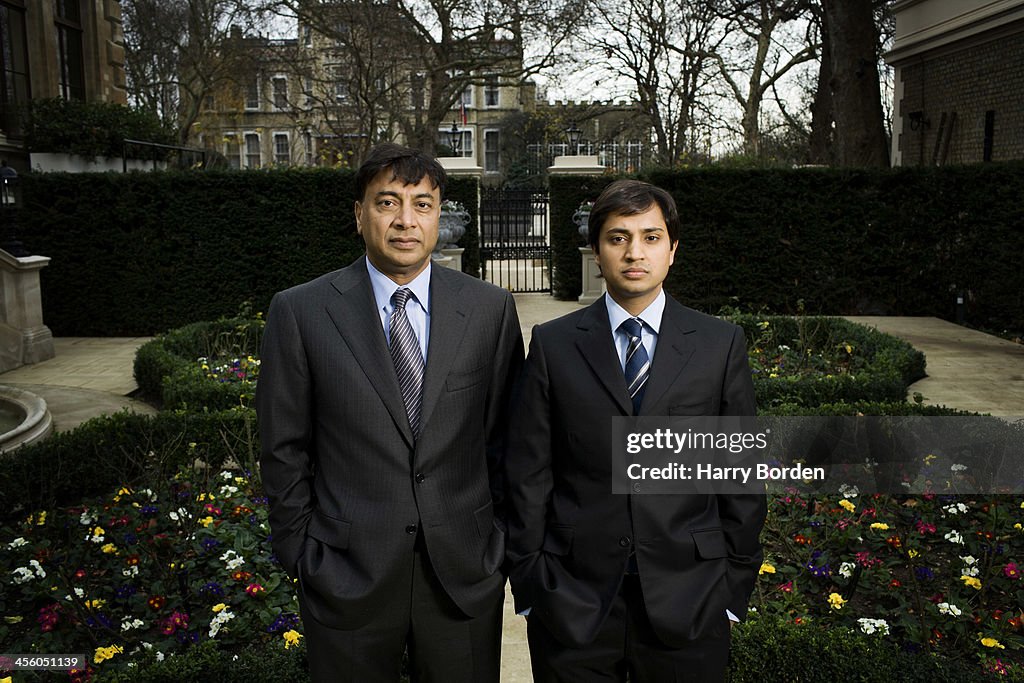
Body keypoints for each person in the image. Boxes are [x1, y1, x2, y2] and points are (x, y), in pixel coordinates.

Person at [257, 143, 523, 682]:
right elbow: (283, 447)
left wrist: (500, 544)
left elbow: (509, 440)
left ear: (438, 215)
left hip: (463, 572)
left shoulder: (488, 309)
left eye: (422, 204)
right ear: (359, 214)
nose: (406, 220)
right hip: (345, 573)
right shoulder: (301, 311)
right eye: (388, 203)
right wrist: (302, 553)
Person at [505, 179, 766, 682]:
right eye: (617, 237)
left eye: (650, 237)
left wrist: (732, 589)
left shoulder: (719, 344)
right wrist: (533, 586)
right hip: (574, 601)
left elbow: (739, 476)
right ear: (597, 252)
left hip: (690, 600)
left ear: (672, 251)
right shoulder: (554, 344)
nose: (634, 252)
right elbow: (527, 472)